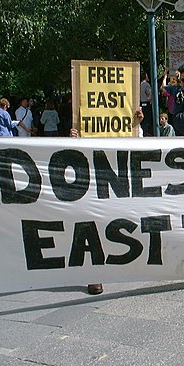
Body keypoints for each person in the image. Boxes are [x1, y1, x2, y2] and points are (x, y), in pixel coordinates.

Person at [70, 109, 145, 295]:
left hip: (119, 180)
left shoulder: (123, 121)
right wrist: (74, 139)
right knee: (91, 225)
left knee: (122, 225)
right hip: (94, 177)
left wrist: (137, 126)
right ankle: (95, 275)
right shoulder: (86, 123)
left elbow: (136, 147)